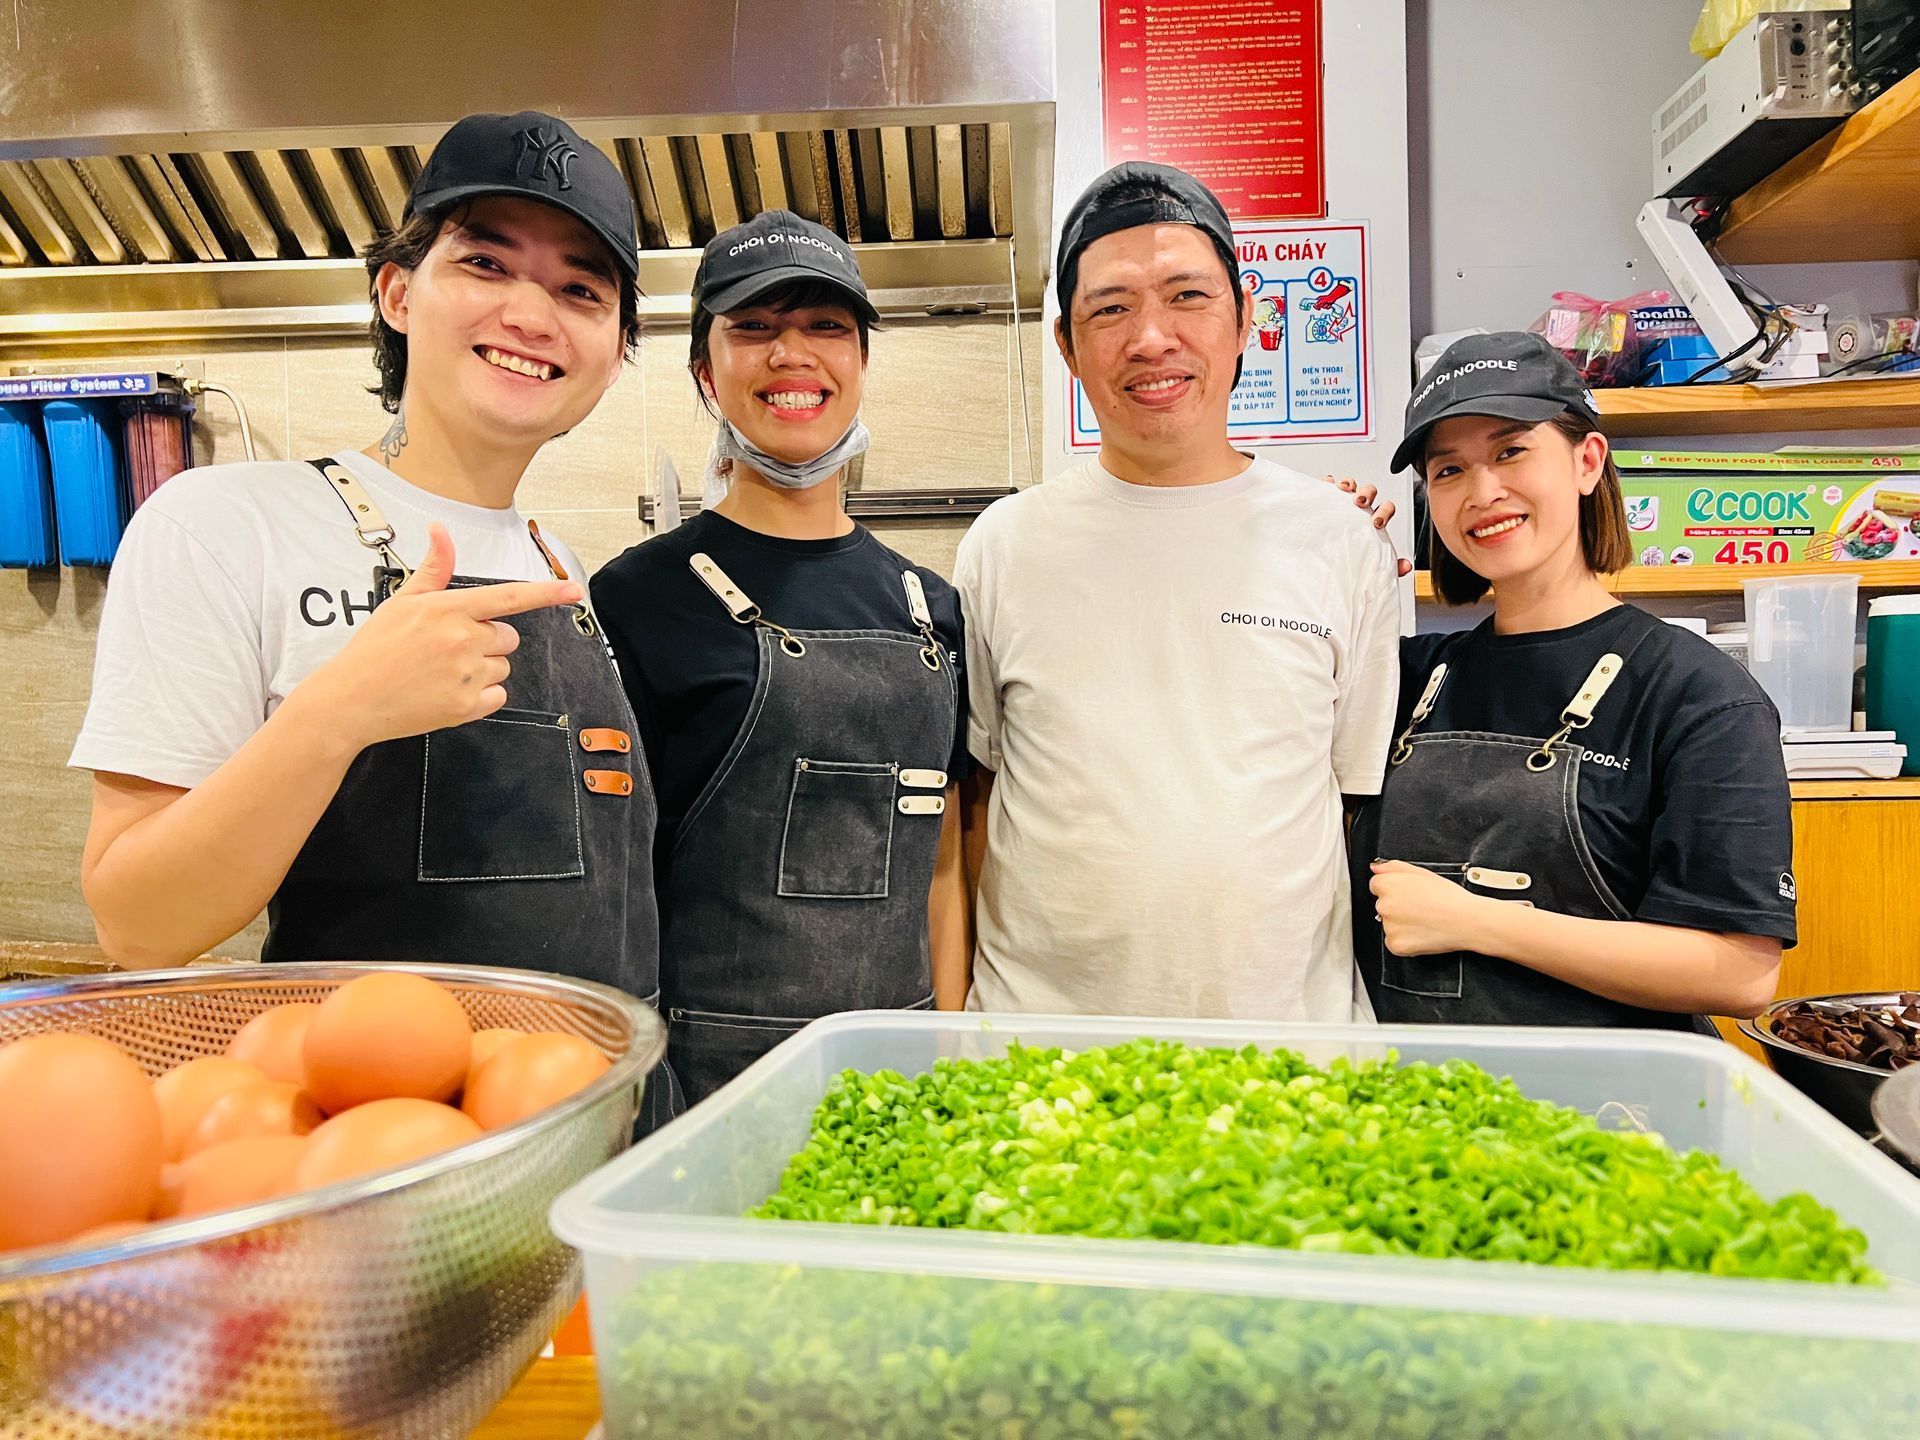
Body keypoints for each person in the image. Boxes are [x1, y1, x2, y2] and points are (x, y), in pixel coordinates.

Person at [71, 112, 659, 1019]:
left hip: (601, 1122)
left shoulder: (562, 567)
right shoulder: (227, 522)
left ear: (615, 355)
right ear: (396, 294)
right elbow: (137, 925)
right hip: (388, 1131)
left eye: (581, 290)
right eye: (485, 263)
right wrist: (340, 712)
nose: (532, 315)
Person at [954, 162, 1401, 1023]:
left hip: (1286, 1052)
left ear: (1245, 320)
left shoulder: (1339, 540)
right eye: (1111, 308)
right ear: (1068, 347)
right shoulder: (1003, 545)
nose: (1151, 338)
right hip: (1040, 1052)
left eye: (1188, 297)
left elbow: (1349, 803)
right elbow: (976, 805)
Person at [590, 210, 968, 1110]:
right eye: (753, 328)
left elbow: (945, 862)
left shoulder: (931, 606)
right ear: (704, 371)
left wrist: (949, 1054)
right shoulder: (635, 598)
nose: (791, 354)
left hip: (902, 1071)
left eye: (825, 327)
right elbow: (615, 886)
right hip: (709, 1082)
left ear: (862, 364)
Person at [1350, 331, 1791, 1028]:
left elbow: (1740, 971)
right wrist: (1311, 551)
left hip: (1612, 1116)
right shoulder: (1409, 677)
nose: (1482, 491)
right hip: (1413, 1109)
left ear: (1588, 460)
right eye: (1449, 471)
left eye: (1510, 451)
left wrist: (1477, 920)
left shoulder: (1696, 694)